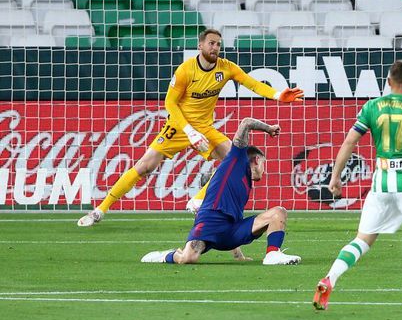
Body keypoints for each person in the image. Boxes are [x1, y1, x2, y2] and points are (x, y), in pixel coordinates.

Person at [78, 29, 303, 227]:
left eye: (218, 44)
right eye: (211, 43)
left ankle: (198, 199)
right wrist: (189, 131)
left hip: (205, 128)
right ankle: (100, 210)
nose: (215, 47)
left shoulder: (226, 68)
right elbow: (170, 103)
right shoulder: (185, 70)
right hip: (178, 127)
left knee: (237, 158)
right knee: (144, 167)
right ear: (200, 45)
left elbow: (252, 84)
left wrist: (278, 95)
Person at [313, 60, 402, 311]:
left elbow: (349, 142)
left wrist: (335, 176)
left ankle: (330, 278)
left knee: (363, 239)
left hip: (381, 182)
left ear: (388, 82)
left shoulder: (372, 106)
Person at [141, 117, 301, 265]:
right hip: (210, 222)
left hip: (232, 230)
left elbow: (231, 216)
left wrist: (238, 255)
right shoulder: (237, 159)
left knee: (278, 212)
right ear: (257, 160)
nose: (264, 171)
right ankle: (166, 256)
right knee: (188, 258)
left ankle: (272, 254)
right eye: (264, 165)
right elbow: (246, 123)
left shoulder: (245, 182)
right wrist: (269, 129)